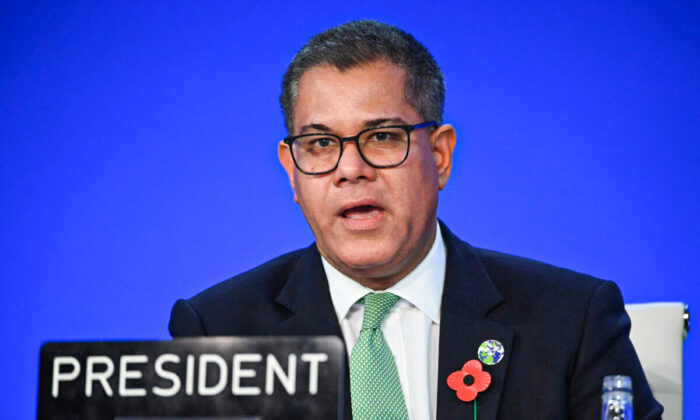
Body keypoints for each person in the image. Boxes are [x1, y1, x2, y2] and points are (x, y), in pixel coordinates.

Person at [169, 20, 663, 419]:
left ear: (440, 155)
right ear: (292, 173)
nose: (350, 169)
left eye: (382, 136)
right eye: (320, 144)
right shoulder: (219, 331)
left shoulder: (571, 321)